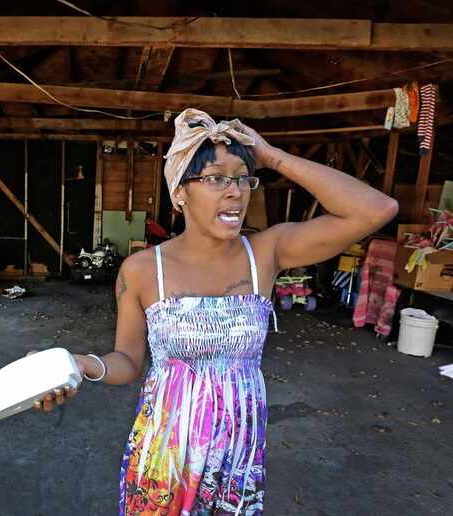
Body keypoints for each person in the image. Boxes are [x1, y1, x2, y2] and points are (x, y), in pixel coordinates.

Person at [35, 109, 398, 515]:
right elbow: (128, 361)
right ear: (180, 192)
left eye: (243, 177)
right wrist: (81, 365)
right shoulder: (141, 270)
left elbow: (376, 210)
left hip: (236, 461)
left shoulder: (265, 253)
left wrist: (273, 156)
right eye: (216, 178)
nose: (236, 191)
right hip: (165, 455)